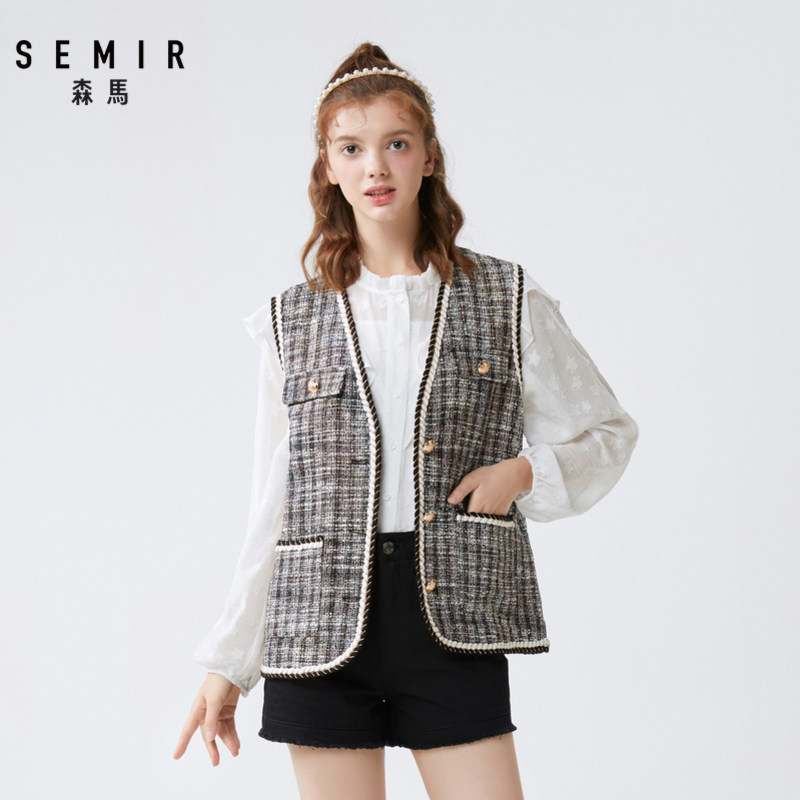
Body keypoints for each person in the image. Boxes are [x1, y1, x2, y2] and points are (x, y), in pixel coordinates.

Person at [173, 42, 638, 800]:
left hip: (452, 619)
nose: (375, 167)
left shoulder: (507, 297)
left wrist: (525, 473)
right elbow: (275, 502)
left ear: (429, 156)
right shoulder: (289, 322)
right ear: (328, 167)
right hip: (319, 623)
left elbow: (608, 433)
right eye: (351, 149)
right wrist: (229, 661)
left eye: (396, 143)